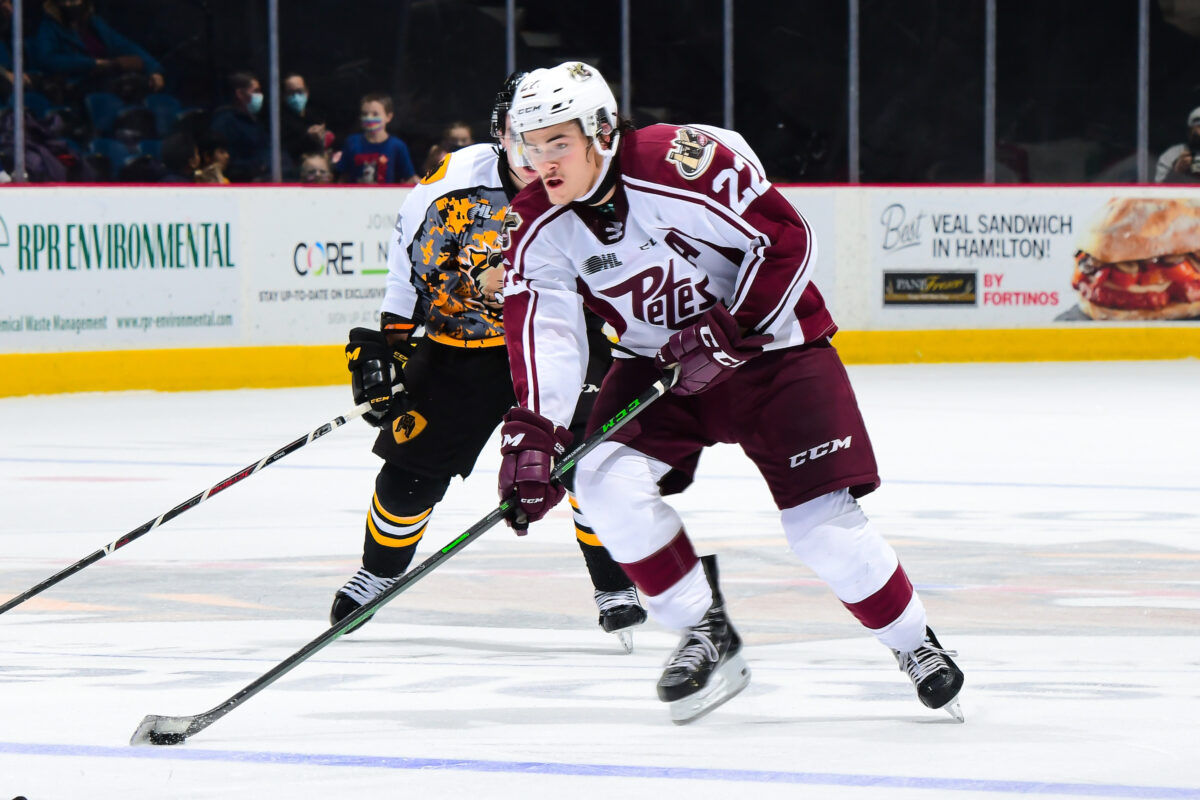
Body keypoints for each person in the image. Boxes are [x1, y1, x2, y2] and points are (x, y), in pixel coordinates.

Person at [499, 61, 965, 724]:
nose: (542, 161)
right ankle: (703, 631)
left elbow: (784, 236)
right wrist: (536, 436)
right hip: (661, 365)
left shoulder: (674, 163)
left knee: (821, 529)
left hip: (774, 351)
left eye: (558, 142)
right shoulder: (536, 223)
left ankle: (914, 643)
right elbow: (545, 328)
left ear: (602, 131)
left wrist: (733, 328)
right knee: (600, 481)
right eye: (531, 144)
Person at [332, 73, 647, 650]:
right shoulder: (451, 184)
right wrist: (391, 341)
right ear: (499, 134)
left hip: (563, 341)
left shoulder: (593, 180)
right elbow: (408, 267)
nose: (535, 155)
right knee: (408, 477)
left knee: (592, 461)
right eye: (520, 137)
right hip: (462, 344)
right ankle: (378, 571)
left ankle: (614, 583)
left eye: (549, 139)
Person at [32, 0, 164, 100]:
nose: (70, 4)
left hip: (108, 84)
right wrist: (92, 64)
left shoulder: (95, 24)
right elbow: (47, 59)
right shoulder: (49, 28)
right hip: (76, 89)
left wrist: (154, 70)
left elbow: (126, 46)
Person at [335, 92, 418, 184]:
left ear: (388, 117)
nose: (369, 118)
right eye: (365, 114)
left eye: (375, 114)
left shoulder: (397, 146)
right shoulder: (352, 142)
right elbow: (343, 177)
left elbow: (408, 178)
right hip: (356, 196)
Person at [207, 71, 271, 182]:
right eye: (255, 91)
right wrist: (257, 166)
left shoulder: (256, 121)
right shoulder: (224, 122)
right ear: (240, 94)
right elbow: (227, 162)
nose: (260, 96)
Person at [281, 72, 330, 164]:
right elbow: (284, 149)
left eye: (299, 91)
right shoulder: (279, 121)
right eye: (291, 93)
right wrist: (307, 136)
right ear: (284, 96)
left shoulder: (315, 115)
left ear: (307, 92)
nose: (296, 97)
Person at [1154, 106, 1200, 183]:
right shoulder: (1172, 155)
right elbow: (1158, 191)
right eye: (1199, 126)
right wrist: (1177, 171)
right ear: (1189, 132)